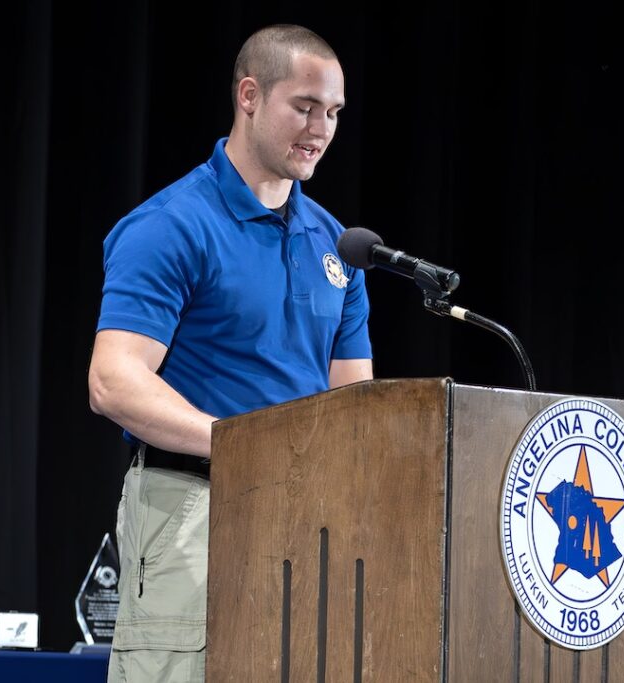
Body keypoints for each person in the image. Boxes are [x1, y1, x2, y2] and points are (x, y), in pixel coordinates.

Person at [88, 24, 373, 682]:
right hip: (193, 505)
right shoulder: (172, 225)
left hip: (309, 520)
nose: (321, 129)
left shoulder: (340, 247)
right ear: (250, 95)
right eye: (304, 106)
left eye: (332, 112)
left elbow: (357, 407)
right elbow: (114, 379)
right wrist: (251, 444)